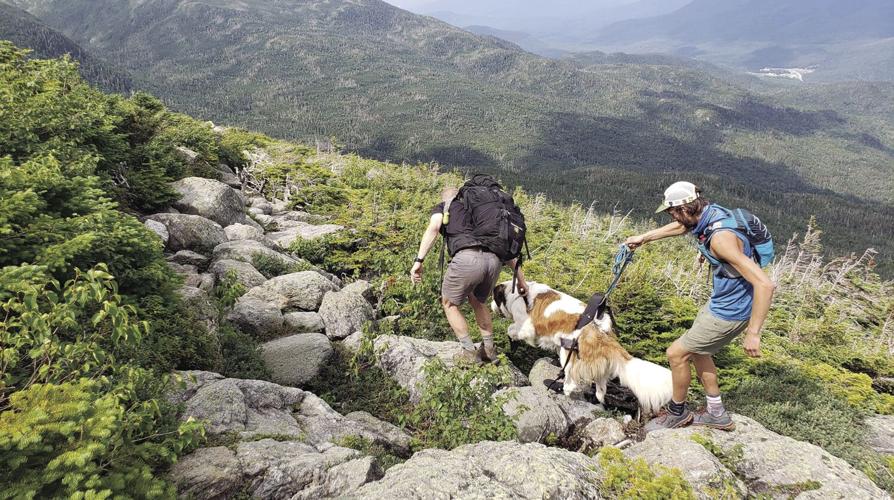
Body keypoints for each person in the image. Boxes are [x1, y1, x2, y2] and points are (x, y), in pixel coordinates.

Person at [625, 181, 776, 432]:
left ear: (685, 208)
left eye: (673, 211)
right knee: (698, 351)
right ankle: (716, 413)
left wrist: (753, 333)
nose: (672, 216)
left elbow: (765, 284)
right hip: (721, 302)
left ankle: (677, 412)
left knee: (676, 354)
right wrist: (644, 238)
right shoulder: (710, 214)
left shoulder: (720, 240)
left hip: (731, 311)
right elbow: (681, 227)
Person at [410, 187, 528, 364]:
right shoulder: (485, 213)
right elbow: (504, 248)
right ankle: (489, 350)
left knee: (449, 303)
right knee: (478, 302)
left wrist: (419, 261)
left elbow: (434, 228)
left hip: (467, 258)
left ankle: (468, 352)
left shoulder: (444, 207)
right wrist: (521, 281)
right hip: (494, 261)